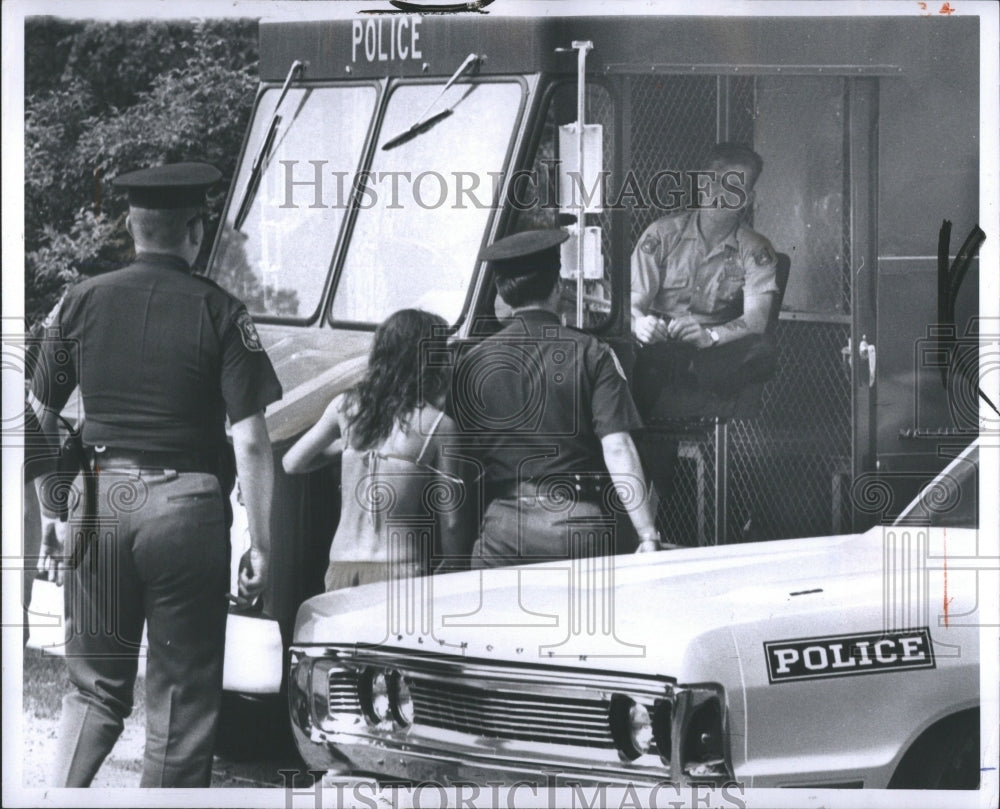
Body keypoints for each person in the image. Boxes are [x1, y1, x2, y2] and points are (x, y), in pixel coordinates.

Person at [29, 162, 282, 788]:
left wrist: (54, 511)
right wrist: (263, 545)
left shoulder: (81, 300)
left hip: (99, 502)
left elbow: (34, 414)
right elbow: (249, 439)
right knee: (181, 702)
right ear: (195, 230)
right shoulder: (224, 311)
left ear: (129, 226)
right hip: (186, 508)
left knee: (92, 692)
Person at [450, 229, 667, 569]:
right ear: (559, 288)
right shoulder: (592, 352)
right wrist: (647, 534)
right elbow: (618, 447)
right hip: (575, 525)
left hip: (501, 526)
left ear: (503, 294)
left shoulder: (472, 362)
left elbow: (458, 459)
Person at [283, 308, 473, 588]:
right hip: (399, 568)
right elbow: (452, 522)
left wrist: (348, 448)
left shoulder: (346, 407)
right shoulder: (438, 426)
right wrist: (458, 576)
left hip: (341, 566)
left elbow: (292, 462)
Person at [630, 141, 780, 412]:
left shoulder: (756, 249)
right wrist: (640, 324)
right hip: (657, 345)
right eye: (712, 183)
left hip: (710, 353)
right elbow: (634, 302)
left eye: (732, 188)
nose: (718, 194)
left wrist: (708, 336)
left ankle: (686, 379)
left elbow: (756, 319)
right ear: (701, 184)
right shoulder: (661, 234)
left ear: (747, 199)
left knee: (762, 350)